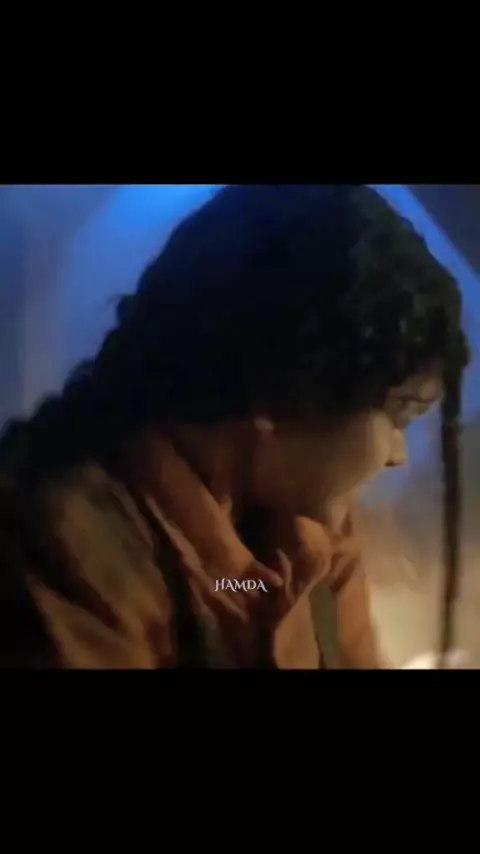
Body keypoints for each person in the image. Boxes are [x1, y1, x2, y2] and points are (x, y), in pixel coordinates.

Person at [0, 185, 469, 668]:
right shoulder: (59, 552)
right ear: (287, 387)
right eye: (399, 417)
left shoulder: (306, 525)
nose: (398, 456)